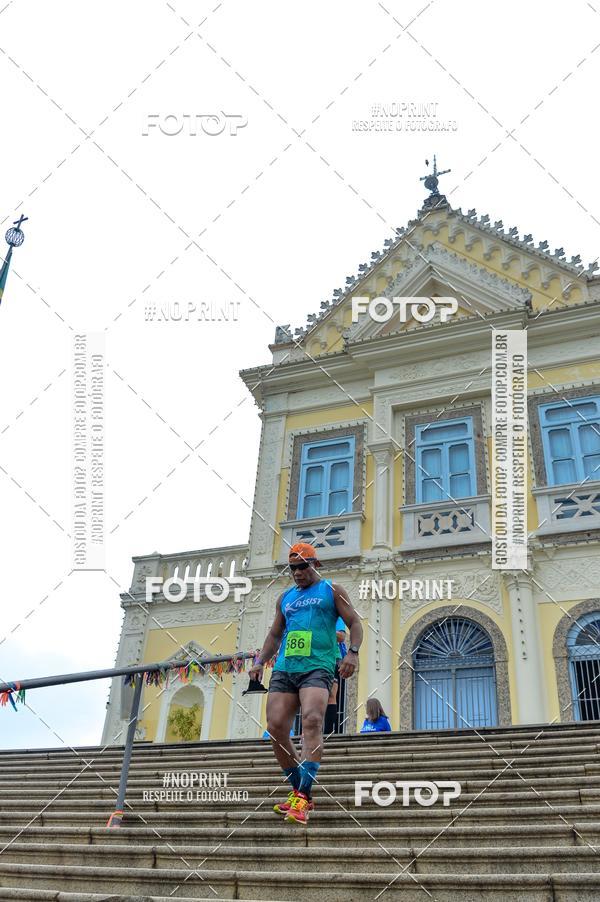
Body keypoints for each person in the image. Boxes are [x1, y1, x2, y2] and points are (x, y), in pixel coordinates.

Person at [248, 542, 363, 826]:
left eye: (302, 567)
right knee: (275, 728)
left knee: (312, 720)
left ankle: (302, 796)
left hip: (318, 666)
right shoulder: (285, 598)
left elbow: (355, 623)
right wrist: (259, 661)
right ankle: (300, 789)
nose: (297, 573)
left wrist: (353, 653)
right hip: (286, 667)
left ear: (315, 565)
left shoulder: (331, 590)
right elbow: (275, 634)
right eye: (293, 568)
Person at [323, 616, 347, 735]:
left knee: (331, 695)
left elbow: (341, 636)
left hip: (331, 659)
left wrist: (320, 629)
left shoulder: (335, 616)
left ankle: (328, 732)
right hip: (309, 658)